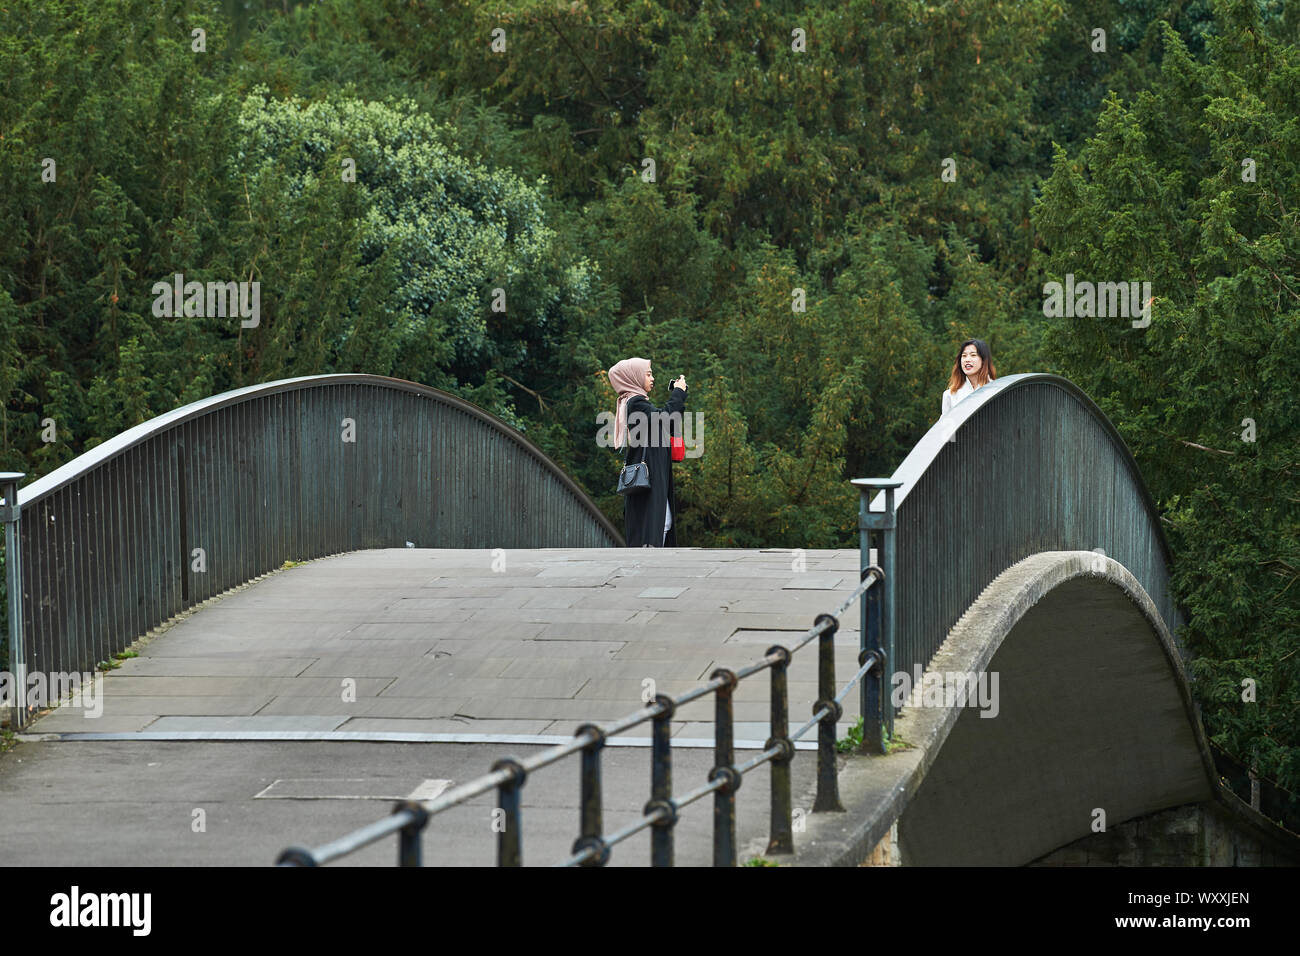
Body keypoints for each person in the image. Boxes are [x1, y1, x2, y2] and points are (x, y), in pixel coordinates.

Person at [607, 357, 687, 546]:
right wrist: (678, 392)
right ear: (633, 377)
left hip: (655, 472)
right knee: (658, 522)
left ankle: (653, 557)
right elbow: (666, 417)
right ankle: (650, 561)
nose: (652, 378)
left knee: (662, 521)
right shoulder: (635, 403)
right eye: (648, 374)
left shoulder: (638, 403)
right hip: (651, 474)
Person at [941, 338, 997, 416]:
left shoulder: (996, 390)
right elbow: (945, 426)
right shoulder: (950, 395)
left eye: (973, 355)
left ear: (983, 360)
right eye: (964, 356)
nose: (967, 360)